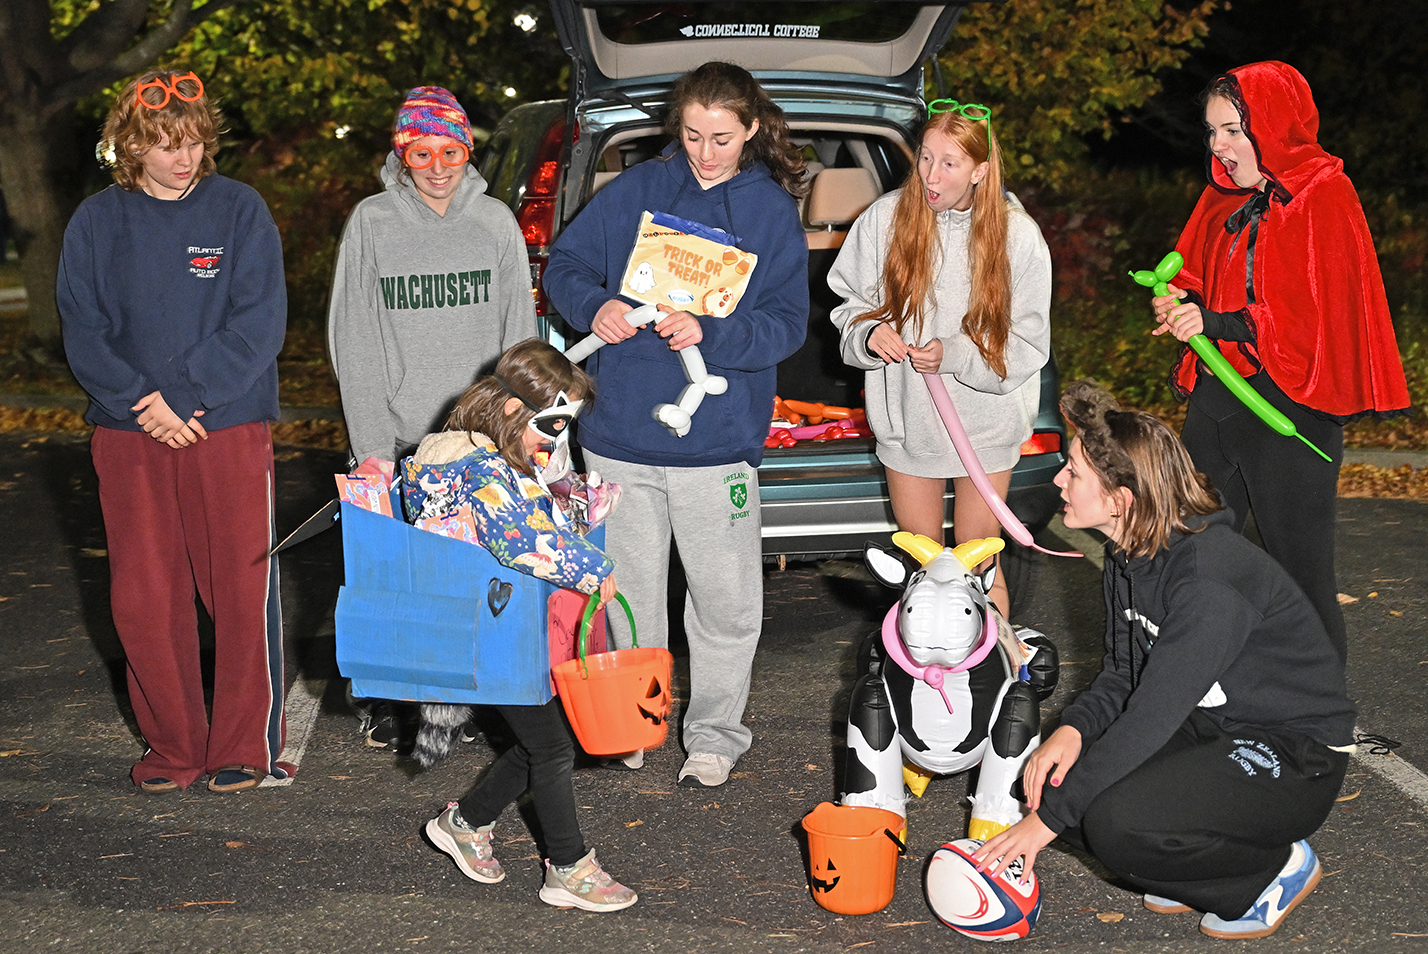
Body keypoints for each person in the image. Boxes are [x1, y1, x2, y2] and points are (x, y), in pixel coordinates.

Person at [973, 380, 1356, 940]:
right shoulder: (1130, 554)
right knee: (1049, 783)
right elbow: (1124, 673)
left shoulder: (1207, 582)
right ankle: (1191, 859)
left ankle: (1269, 871)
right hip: (1209, 726)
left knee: (1112, 825)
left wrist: (1043, 828)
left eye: (1073, 472)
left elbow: (1151, 714)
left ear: (1122, 500)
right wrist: (1074, 729)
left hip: (1291, 755)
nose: (1059, 479)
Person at [541, 61, 810, 788]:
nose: (705, 152)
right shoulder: (639, 190)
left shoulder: (770, 213)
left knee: (724, 604)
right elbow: (563, 265)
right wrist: (591, 305)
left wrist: (713, 332)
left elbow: (787, 326)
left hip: (716, 444)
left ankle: (717, 737)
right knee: (628, 600)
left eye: (722, 138)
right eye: (692, 135)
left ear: (751, 129)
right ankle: (635, 723)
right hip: (620, 438)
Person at [56, 69, 290, 794]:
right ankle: (175, 747)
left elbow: (259, 322)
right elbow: (82, 327)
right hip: (130, 434)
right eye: (161, 145)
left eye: (191, 142)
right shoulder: (96, 221)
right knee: (146, 596)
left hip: (226, 426)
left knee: (238, 589)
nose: (181, 158)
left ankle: (243, 743)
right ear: (128, 146)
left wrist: (185, 397)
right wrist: (139, 403)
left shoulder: (239, 210)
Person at [1150, 61, 1409, 661]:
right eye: (1212, 131)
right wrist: (1178, 302)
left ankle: (1322, 730)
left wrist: (1212, 322)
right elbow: (1192, 273)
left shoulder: (1324, 194)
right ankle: (1199, 700)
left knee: (1299, 571)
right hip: (1221, 399)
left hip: (1294, 406)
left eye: (1234, 129)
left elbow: (1312, 320)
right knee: (1184, 552)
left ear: (1273, 125)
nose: (1219, 145)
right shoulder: (1223, 197)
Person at [328, 85, 537, 747]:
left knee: (475, 573)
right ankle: (394, 701)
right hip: (398, 436)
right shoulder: (372, 223)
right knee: (401, 576)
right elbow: (352, 338)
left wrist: (515, 434)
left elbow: (519, 341)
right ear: (402, 153)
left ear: (467, 151)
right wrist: (370, 445)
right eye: (423, 151)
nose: (439, 166)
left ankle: (467, 696)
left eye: (451, 150)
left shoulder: (496, 222)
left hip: (478, 441)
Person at [408, 340, 636, 913]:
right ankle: (569, 867)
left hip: (493, 620)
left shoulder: (480, 455)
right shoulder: (477, 467)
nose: (556, 438)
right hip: (489, 628)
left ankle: (466, 822)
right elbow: (520, 538)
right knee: (553, 745)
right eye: (552, 423)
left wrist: (575, 511)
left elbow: (526, 515)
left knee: (546, 738)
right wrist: (592, 568)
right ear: (512, 410)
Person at [827, 100, 1051, 619]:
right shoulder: (884, 219)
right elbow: (847, 309)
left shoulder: (1019, 237)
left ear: (981, 170)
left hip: (985, 428)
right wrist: (868, 334)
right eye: (925, 157)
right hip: (909, 426)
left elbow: (1028, 344)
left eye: (949, 163)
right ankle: (917, 684)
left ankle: (997, 672)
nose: (930, 174)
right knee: (919, 572)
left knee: (978, 571)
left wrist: (954, 355)